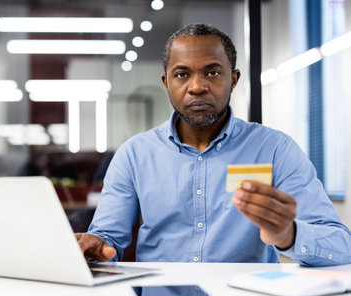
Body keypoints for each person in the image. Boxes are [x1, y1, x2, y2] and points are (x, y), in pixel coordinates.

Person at [76, 23, 351, 266]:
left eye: (213, 73)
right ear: (166, 82)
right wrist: (94, 246)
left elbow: (341, 247)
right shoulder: (135, 154)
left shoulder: (275, 150)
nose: (197, 86)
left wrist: (287, 234)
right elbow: (106, 239)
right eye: (182, 74)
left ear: (234, 79)